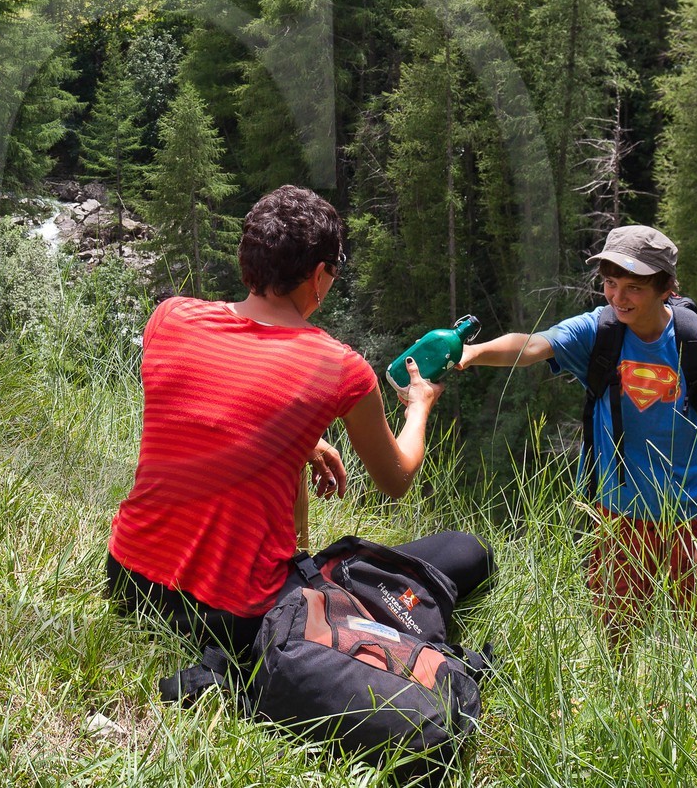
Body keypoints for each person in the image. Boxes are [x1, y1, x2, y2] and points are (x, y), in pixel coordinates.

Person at [107, 185, 493, 653]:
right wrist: (419, 407)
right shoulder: (338, 365)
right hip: (232, 616)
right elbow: (397, 477)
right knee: (467, 553)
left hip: (130, 582)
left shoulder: (170, 317)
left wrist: (296, 441)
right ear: (317, 275)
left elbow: (206, 409)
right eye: (334, 270)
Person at [459, 224, 697, 630]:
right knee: (614, 639)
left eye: (634, 287)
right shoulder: (599, 331)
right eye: (611, 284)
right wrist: (472, 352)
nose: (618, 297)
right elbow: (530, 346)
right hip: (616, 516)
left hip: (691, 518)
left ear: (666, 288)